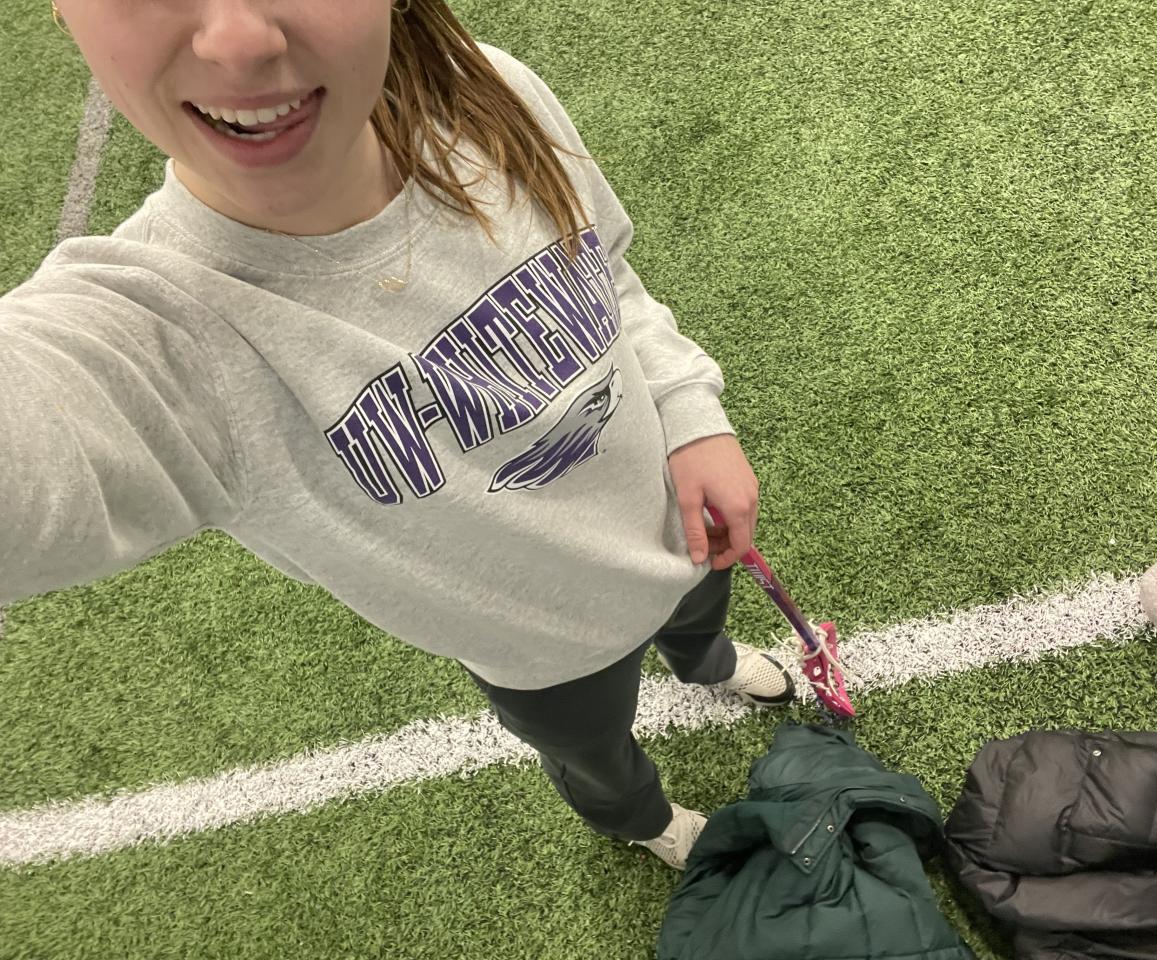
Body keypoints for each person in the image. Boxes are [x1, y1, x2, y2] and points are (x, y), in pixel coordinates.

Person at [5, 0, 797, 870]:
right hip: (543, 658)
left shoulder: (483, 90)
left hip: (681, 532)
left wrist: (688, 411)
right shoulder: (152, 338)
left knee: (698, 624)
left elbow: (602, 261)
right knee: (597, 761)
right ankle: (642, 822)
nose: (238, 40)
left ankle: (708, 664)